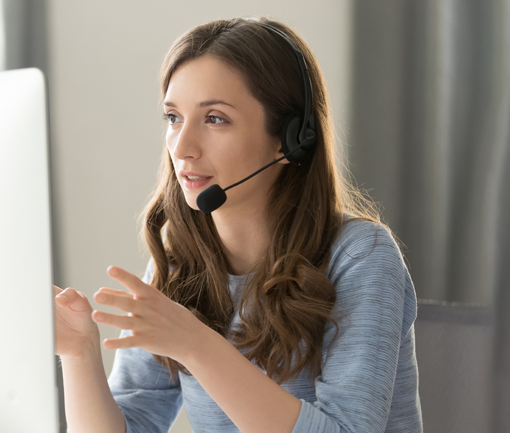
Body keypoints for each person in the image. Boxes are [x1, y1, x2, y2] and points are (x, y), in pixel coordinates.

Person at [54, 17, 422, 433]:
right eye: (173, 118)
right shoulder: (177, 269)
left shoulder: (360, 256)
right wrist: (79, 351)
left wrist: (197, 345)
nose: (181, 147)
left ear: (291, 138)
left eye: (214, 119)